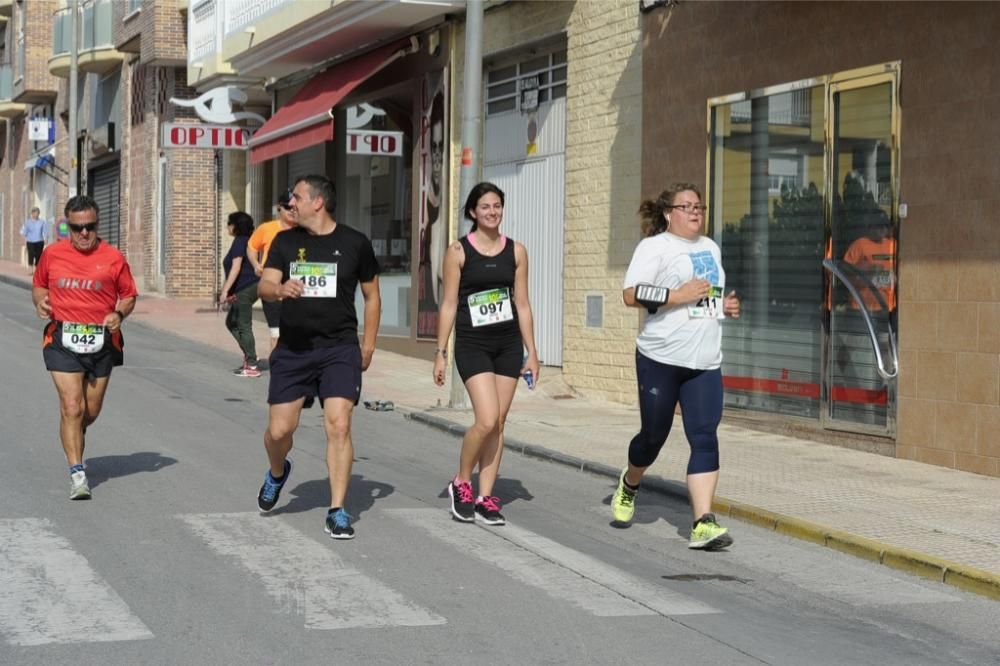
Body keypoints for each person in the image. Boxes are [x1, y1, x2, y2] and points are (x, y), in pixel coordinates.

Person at [613, 182, 741, 550]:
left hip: (704, 361)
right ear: (669, 213)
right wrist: (677, 295)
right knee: (653, 437)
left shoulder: (710, 248)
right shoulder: (655, 247)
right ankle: (630, 483)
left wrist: (724, 307)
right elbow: (630, 294)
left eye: (698, 205)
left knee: (704, 436)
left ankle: (702, 522)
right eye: (686, 206)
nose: (695, 211)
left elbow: (705, 299)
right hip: (660, 357)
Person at [256, 174, 381, 540]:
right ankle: (277, 472)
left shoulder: (355, 243)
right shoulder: (284, 240)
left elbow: (372, 296)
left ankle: (337, 509)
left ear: (317, 202)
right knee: (280, 431)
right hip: (294, 349)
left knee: (339, 425)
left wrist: (368, 343)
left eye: (295, 197)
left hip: (339, 348)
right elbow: (264, 284)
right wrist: (279, 289)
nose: (289, 202)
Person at [433, 182, 540, 526]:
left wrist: (532, 353)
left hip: (508, 345)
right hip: (473, 344)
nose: (492, 212)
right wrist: (440, 352)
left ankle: (485, 497)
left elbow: (522, 304)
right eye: (485, 207)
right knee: (486, 419)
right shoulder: (458, 251)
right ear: (472, 212)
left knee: (500, 423)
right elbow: (449, 304)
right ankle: (462, 482)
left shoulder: (517, 252)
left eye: (497, 206)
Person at [31, 195, 138, 500]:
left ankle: (76, 429)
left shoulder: (113, 257)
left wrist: (119, 313)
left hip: (102, 340)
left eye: (90, 226)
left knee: (89, 411)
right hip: (61, 339)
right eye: (77, 228)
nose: (84, 233)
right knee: (72, 406)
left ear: (97, 223)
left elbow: (129, 295)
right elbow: (39, 285)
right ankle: (77, 473)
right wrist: (40, 301)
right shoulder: (52, 255)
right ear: (67, 226)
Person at [247, 189, 297, 352]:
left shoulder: (303, 231)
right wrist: (256, 264)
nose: (292, 211)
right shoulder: (267, 228)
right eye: (287, 207)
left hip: (296, 290)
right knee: (276, 333)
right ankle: (278, 368)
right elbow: (252, 246)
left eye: (294, 207)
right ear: (279, 208)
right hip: (272, 290)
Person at [220, 211, 261, 377]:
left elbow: (236, 268)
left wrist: (225, 291)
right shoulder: (246, 241)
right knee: (231, 322)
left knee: (243, 324)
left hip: (246, 287)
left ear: (235, 226)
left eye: (229, 223)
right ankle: (250, 353)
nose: (227, 227)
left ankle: (251, 365)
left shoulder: (240, 242)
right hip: (247, 287)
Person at [843, 210, 896, 325]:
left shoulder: (891, 245)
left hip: (884, 305)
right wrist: (869, 268)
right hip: (861, 307)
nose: (882, 229)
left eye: (885, 226)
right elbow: (845, 271)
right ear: (870, 227)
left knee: (883, 340)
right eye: (879, 226)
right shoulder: (859, 245)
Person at [21, 207, 49, 275]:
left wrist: (46, 239)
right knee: (31, 255)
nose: (36, 215)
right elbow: (24, 232)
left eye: (38, 213)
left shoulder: (42, 222)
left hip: (39, 241)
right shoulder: (28, 222)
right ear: (32, 214)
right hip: (30, 241)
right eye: (35, 213)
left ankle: (36, 270)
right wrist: (24, 240)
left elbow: (45, 231)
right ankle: (31, 270)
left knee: (38, 255)